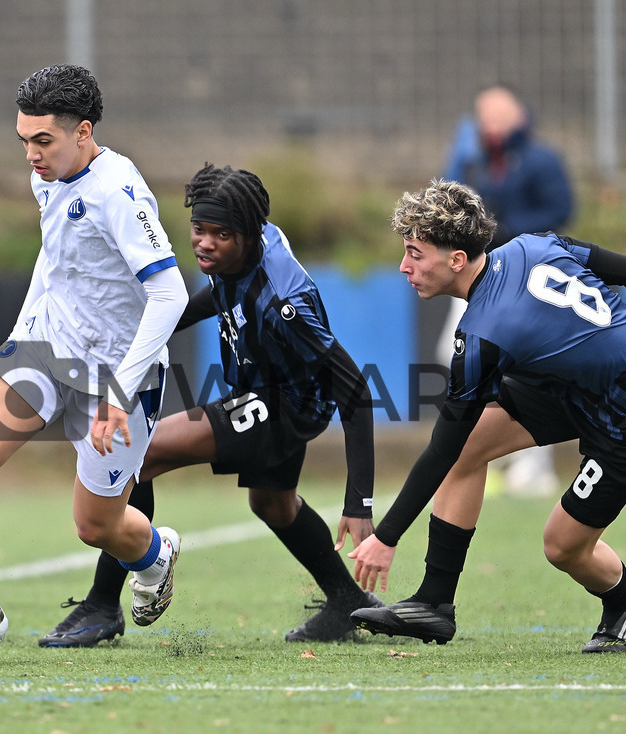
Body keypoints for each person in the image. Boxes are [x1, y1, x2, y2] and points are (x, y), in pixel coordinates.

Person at [349, 180, 626, 653]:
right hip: (584, 386)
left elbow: (440, 445)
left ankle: (624, 603)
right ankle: (434, 604)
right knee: (470, 449)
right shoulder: (535, 244)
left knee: (562, 546)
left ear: (456, 259)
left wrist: (386, 537)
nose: (404, 266)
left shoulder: (484, 337)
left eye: (415, 253)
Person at [38, 163, 381, 648]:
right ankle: (346, 602)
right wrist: (153, 330)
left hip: (284, 403)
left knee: (146, 453)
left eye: (221, 234)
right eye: (199, 229)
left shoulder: (286, 302)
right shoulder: (244, 248)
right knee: (273, 504)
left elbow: (355, 392)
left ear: (250, 233)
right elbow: (217, 299)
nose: (205, 243)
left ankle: (101, 604)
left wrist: (358, 502)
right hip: (265, 390)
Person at [0, 64, 188, 644]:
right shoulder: (48, 174)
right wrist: (22, 331)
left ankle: (155, 555)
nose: (31, 154)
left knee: (95, 525)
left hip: (114, 373)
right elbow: (56, 257)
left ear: (84, 132)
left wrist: (120, 392)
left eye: (42, 140)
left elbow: (170, 291)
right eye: (23, 140)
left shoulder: (118, 192)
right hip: (47, 350)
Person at [436, 85, 576, 497]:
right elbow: (451, 206)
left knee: (520, 363)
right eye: (484, 115)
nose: (490, 122)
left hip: (523, 274)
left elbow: (560, 209)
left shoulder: (540, 159)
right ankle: (498, 455)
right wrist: (459, 166)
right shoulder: (477, 161)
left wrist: (511, 229)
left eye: (498, 113)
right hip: (478, 275)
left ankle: (532, 466)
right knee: (455, 353)